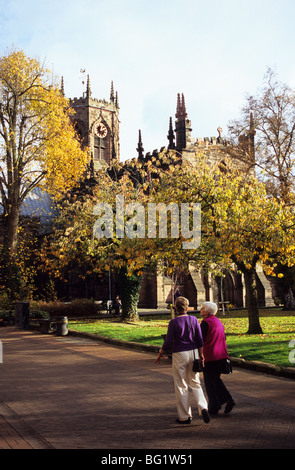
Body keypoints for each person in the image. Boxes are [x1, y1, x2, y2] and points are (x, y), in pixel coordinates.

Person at [155, 296, 210, 424]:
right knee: (195, 382)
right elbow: (199, 339)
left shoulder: (173, 322)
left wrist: (161, 353)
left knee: (180, 384)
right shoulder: (194, 320)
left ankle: (185, 416)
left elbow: (168, 342)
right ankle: (203, 407)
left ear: (176, 308)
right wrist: (201, 355)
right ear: (187, 307)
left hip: (179, 354)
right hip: (193, 352)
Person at [200, 301, 235, 415]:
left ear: (207, 311)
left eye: (202, 308)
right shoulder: (217, 321)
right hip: (221, 355)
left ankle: (228, 399)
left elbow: (200, 340)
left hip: (210, 356)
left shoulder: (206, 323)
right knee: (213, 381)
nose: (200, 310)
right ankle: (214, 407)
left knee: (212, 381)